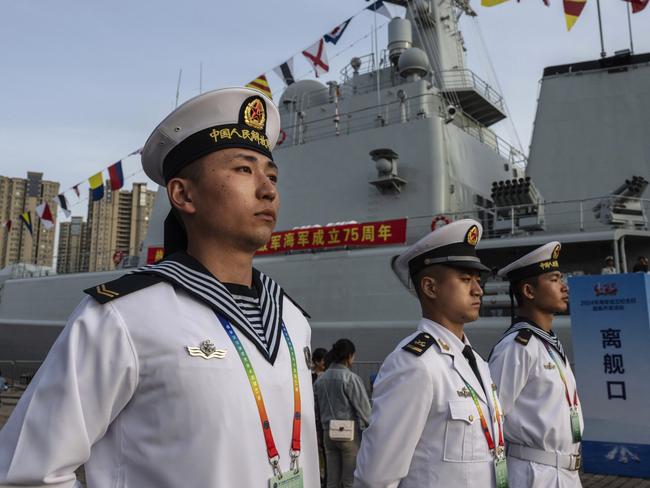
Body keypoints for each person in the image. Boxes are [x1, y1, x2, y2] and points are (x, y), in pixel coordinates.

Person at [0, 87, 319, 487]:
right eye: (244, 169)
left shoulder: (292, 320)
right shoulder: (124, 317)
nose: (268, 189)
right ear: (183, 194)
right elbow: (28, 472)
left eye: (271, 175)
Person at [354, 219, 507, 488]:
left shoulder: (478, 364)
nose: (478, 290)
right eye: (465, 279)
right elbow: (375, 478)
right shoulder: (415, 365)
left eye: (478, 280)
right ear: (430, 288)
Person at [489, 242, 583, 487]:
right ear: (529, 291)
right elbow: (493, 418)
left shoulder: (547, 342)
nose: (564, 286)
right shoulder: (517, 347)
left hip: (565, 472)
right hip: (533, 474)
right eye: (554, 279)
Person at [314, 339, 371, 488]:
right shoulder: (351, 378)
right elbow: (365, 410)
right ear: (349, 356)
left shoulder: (320, 380)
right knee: (350, 480)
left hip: (328, 433)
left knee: (332, 481)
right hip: (348, 434)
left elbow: (316, 409)